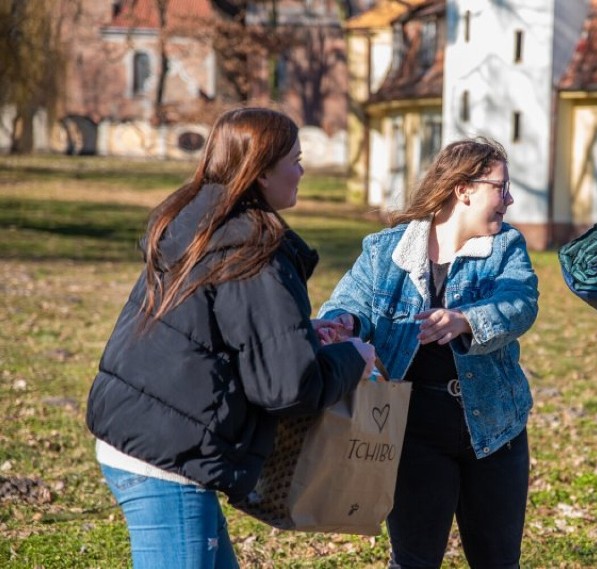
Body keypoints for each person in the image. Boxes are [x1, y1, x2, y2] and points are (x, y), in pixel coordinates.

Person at [85, 107, 375, 568]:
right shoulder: (254, 247)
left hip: (145, 437)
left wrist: (304, 335)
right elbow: (287, 386)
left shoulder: (201, 222)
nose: (302, 171)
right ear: (261, 171)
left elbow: (232, 332)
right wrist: (352, 358)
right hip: (168, 457)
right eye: (295, 160)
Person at [316, 138, 539, 569]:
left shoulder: (507, 247)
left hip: (496, 428)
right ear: (464, 189)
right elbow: (350, 303)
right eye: (501, 187)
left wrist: (466, 320)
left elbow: (521, 303)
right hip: (411, 429)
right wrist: (345, 321)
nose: (509, 199)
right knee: (414, 561)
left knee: (498, 561)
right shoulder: (386, 249)